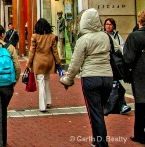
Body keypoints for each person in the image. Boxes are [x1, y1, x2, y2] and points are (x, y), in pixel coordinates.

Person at [60, 9, 120, 147]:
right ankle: (97, 139)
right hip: (107, 77)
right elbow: (119, 51)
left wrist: (68, 79)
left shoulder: (83, 40)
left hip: (90, 77)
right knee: (100, 109)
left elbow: (75, 63)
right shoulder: (106, 36)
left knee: (95, 113)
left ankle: (101, 143)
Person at [26, 18, 61, 112]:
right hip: (49, 61)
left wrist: (28, 64)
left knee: (41, 82)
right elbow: (55, 52)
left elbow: (32, 51)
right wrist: (59, 62)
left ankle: (42, 105)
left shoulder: (35, 37)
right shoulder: (52, 37)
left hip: (38, 62)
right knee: (46, 80)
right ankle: (48, 101)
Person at [123, 9, 145, 144]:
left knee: (141, 104)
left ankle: (140, 134)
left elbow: (128, 58)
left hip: (140, 74)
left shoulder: (134, 36)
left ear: (139, 21)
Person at [103, 17, 131, 114]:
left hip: (115, 64)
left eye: (110, 24)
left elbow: (122, 48)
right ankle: (117, 106)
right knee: (115, 86)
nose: (108, 26)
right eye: (107, 24)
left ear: (114, 26)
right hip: (106, 64)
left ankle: (119, 106)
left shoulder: (117, 36)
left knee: (117, 85)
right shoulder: (102, 36)